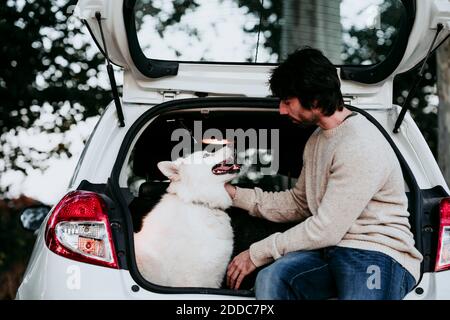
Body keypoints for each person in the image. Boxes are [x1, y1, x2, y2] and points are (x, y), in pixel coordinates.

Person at [224, 47, 423, 300]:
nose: (282, 111)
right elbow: (300, 203)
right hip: (330, 250)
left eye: (287, 101)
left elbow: (325, 228)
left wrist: (257, 252)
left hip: (376, 252)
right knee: (274, 277)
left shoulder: (360, 143)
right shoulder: (317, 140)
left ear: (315, 100)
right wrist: (232, 194)